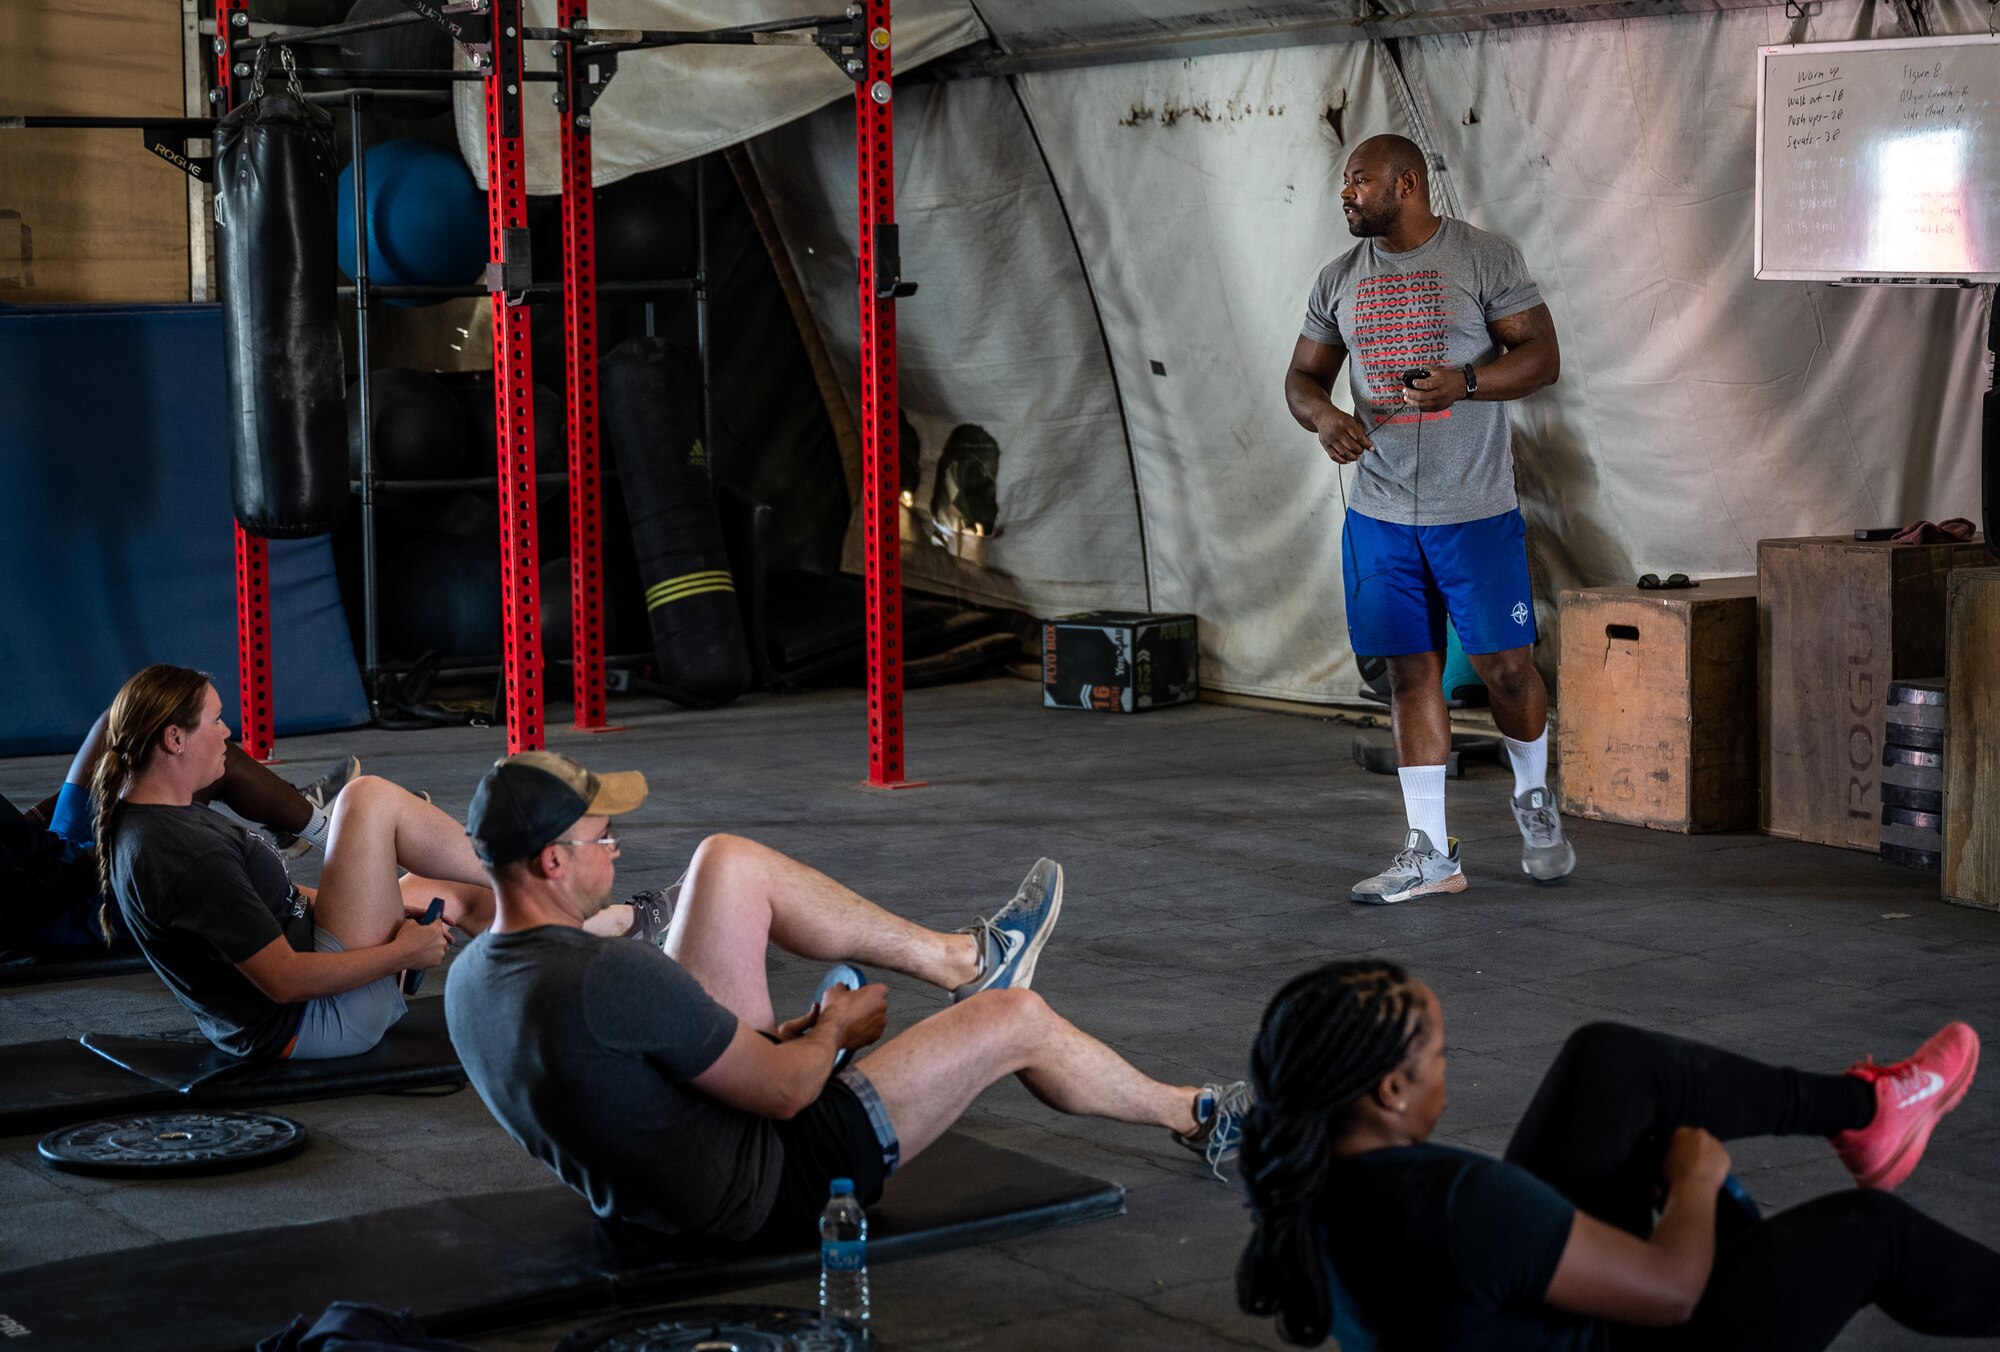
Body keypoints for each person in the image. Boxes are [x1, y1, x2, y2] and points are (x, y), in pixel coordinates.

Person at [445, 750, 1254, 1244]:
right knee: (1018, 1021)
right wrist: (835, 1030)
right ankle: (1203, 1118)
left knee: (727, 861)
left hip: (643, 1195)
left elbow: (640, 1073)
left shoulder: (469, 978)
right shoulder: (608, 974)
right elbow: (791, 1094)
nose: (616, 853)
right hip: (764, 1187)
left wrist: (796, 1032)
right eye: (601, 841)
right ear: (552, 863)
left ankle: (965, 959)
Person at [1236, 958, 1997, 1350]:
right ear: (1394, 1091)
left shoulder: (1309, 1174)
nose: (1446, 1073)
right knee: (1872, 1232)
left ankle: (1867, 1113)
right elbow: (1671, 1291)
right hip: (1636, 1338)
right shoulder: (1454, 1201)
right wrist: (1699, 1181)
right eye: (1441, 1058)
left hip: (1509, 1317)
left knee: (1611, 1064)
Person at [1285, 132, 1569, 904]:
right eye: (1346, 182)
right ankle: (1430, 853)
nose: (1347, 193)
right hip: (1378, 513)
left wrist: (1467, 382)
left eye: (1360, 180)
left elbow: (1541, 359)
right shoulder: (1339, 278)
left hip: (1473, 511)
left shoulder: (1482, 258)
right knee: (1409, 674)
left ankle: (1534, 798)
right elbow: (1303, 377)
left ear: (1405, 184)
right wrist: (1322, 419)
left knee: (1507, 670)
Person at [93, 664, 636, 1061]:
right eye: (215, 721)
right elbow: (284, 981)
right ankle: (537, 868)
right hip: (313, 1022)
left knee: (449, 889)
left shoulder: (160, 819)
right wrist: (401, 950)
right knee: (366, 801)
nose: (228, 733)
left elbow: (262, 908)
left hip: (307, 978)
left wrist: (382, 896)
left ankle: (586, 947)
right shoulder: (182, 852)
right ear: (173, 739)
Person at [1, 706, 358, 953]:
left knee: (126, 716)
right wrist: (103, 851)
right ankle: (339, 840)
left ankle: (295, 817)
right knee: (202, 756)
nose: (227, 725)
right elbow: (21, 907)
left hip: (56, 850)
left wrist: (34, 817)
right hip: (69, 905)